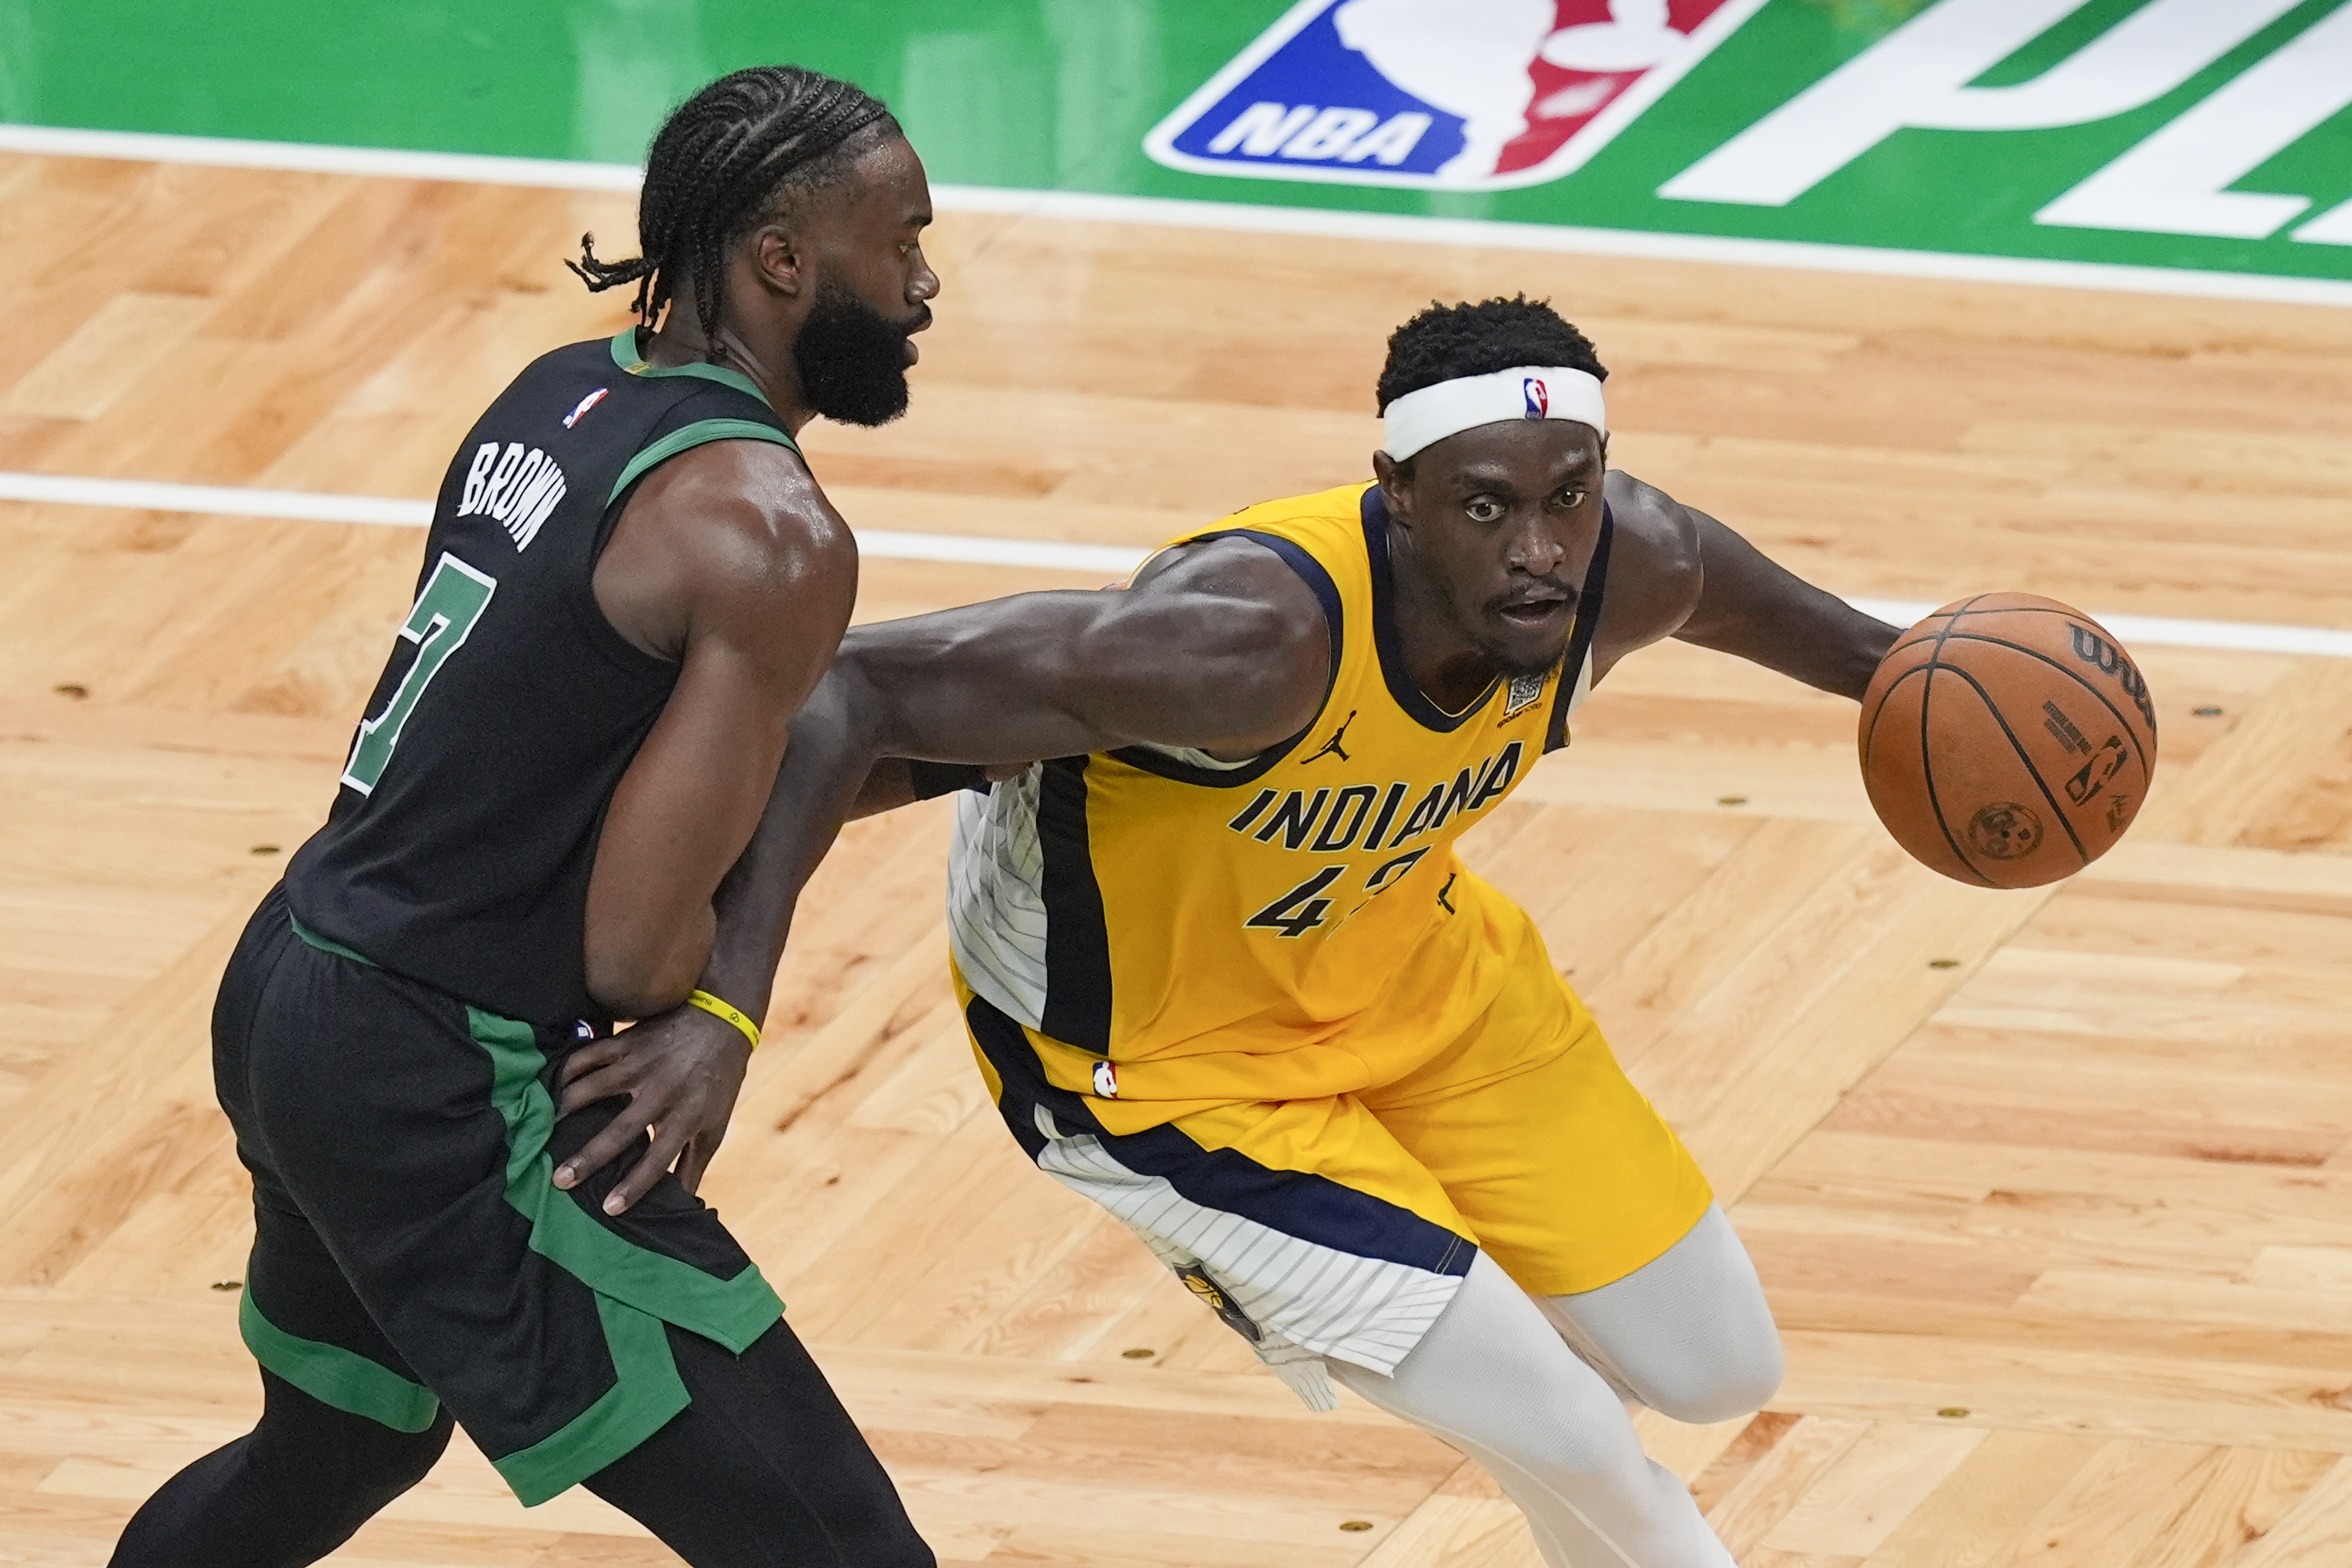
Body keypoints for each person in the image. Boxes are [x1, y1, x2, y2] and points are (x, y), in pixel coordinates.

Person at [573, 293, 1906, 1567]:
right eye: (1488, 507)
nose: (1539, 550)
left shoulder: (1633, 566)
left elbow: (1895, 671)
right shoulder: (1245, 642)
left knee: (1717, 1369)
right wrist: (719, 1006)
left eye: (1569, 497)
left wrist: (1988, 712)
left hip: (1421, 985)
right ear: (1399, 496)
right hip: (1159, 1065)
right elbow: (845, 698)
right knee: (1570, 1429)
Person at [111, 66, 940, 1568]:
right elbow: (635, 956)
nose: (925, 285)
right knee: (840, 1552)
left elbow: (550, 747)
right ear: (782, 261)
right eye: (904, 244)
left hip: (300, 980)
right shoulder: (770, 530)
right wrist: (725, 1012)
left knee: (333, 1446)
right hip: (446, 1072)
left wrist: (914, 757)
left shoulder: (563, 387)